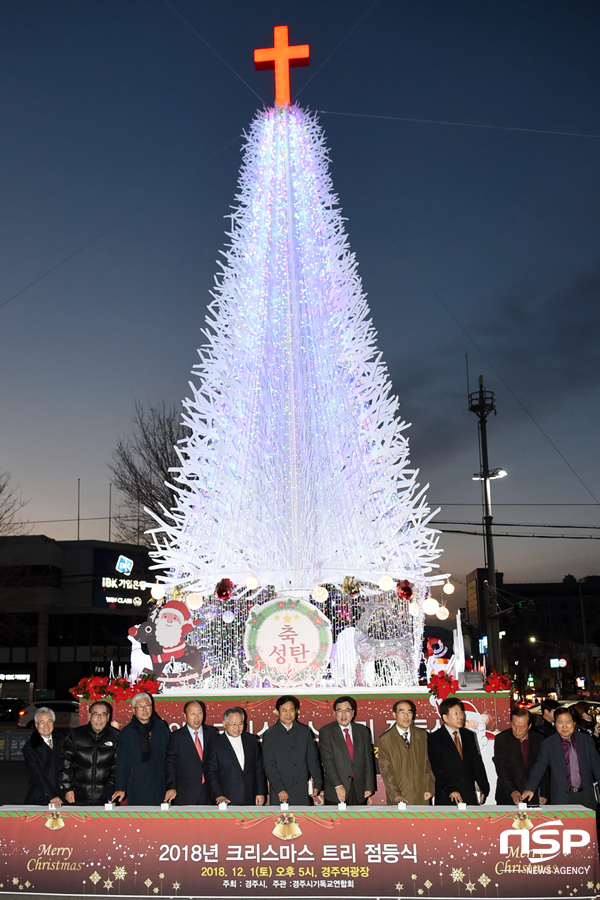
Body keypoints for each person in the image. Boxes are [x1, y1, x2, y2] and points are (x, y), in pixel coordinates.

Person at [522, 706, 600, 809]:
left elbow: (597, 767)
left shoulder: (586, 741)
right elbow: (539, 767)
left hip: (586, 796)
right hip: (561, 797)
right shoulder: (549, 744)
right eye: (560, 723)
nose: (564, 727)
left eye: (568, 723)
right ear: (555, 724)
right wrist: (530, 788)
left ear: (574, 723)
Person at [261, 695, 323, 805]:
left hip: (302, 791)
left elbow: (313, 759)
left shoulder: (304, 732)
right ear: (277, 712)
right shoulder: (270, 735)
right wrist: (280, 789)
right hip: (280, 792)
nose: (288, 714)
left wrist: (318, 783)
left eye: (291, 710)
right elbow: (269, 765)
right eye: (284, 710)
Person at [427, 697, 489, 805]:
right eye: (455, 713)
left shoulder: (468, 735)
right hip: (447, 795)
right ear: (445, 717)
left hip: (468, 794)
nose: (460, 716)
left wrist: (484, 787)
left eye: (461, 712)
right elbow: (437, 768)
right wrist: (450, 790)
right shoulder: (435, 738)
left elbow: (476, 763)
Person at [112, 693, 170, 805]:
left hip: (161, 784)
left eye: (147, 705)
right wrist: (120, 787)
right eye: (140, 706)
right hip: (137, 785)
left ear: (152, 707)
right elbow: (122, 762)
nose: (144, 709)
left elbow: (169, 755)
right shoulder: (127, 732)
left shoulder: (161, 727)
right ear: (134, 710)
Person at [59, 700, 120, 805]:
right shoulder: (75, 735)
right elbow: (66, 763)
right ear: (90, 715)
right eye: (96, 714)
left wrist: (111, 786)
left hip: (106, 796)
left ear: (108, 717)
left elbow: (118, 765)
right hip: (78, 795)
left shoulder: (116, 736)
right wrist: (67, 789)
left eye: (103, 715)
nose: (99, 719)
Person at [318, 696, 376, 805]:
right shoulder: (326, 732)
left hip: (359, 788)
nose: (343, 714)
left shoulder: (363, 731)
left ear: (353, 713)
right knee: (336, 820)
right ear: (334, 713)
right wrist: (338, 785)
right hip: (336, 789)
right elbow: (327, 762)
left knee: (357, 821)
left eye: (347, 710)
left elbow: (368, 760)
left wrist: (368, 786)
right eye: (339, 710)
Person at [378, 699, 434, 805]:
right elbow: (387, 771)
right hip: (400, 796)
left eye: (409, 712)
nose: (406, 716)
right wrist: (396, 795)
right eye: (402, 712)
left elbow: (428, 764)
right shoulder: (386, 739)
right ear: (394, 714)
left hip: (421, 794)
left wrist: (428, 787)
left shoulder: (422, 735)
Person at [207, 707, 266, 805]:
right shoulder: (215, 744)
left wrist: (260, 792)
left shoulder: (251, 740)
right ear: (224, 724)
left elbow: (258, 768)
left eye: (240, 724)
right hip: (226, 798)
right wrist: (218, 795)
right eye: (233, 724)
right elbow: (211, 773)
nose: (237, 728)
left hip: (250, 797)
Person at [164, 699, 217, 804]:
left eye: (199, 713)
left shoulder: (211, 733)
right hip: (185, 792)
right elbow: (170, 763)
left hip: (208, 792)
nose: (196, 717)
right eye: (192, 714)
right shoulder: (176, 736)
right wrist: (171, 786)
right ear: (185, 716)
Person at [493, 707, 549, 805]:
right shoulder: (502, 739)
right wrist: (513, 791)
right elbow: (501, 769)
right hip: (507, 795)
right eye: (514, 725)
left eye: (522, 727)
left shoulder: (539, 739)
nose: (517, 730)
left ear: (529, 726)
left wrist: (544, 794)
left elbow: (543, 768)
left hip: (532, 794)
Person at [23, 707, 63, 806]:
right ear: (36, 725)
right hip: (41, 795)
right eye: (42, 722)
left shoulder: (61, 741)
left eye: (49, 721)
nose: (46, 726)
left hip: (61, 793)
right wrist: (51, 795)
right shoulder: (30, 748)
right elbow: (37, 775)